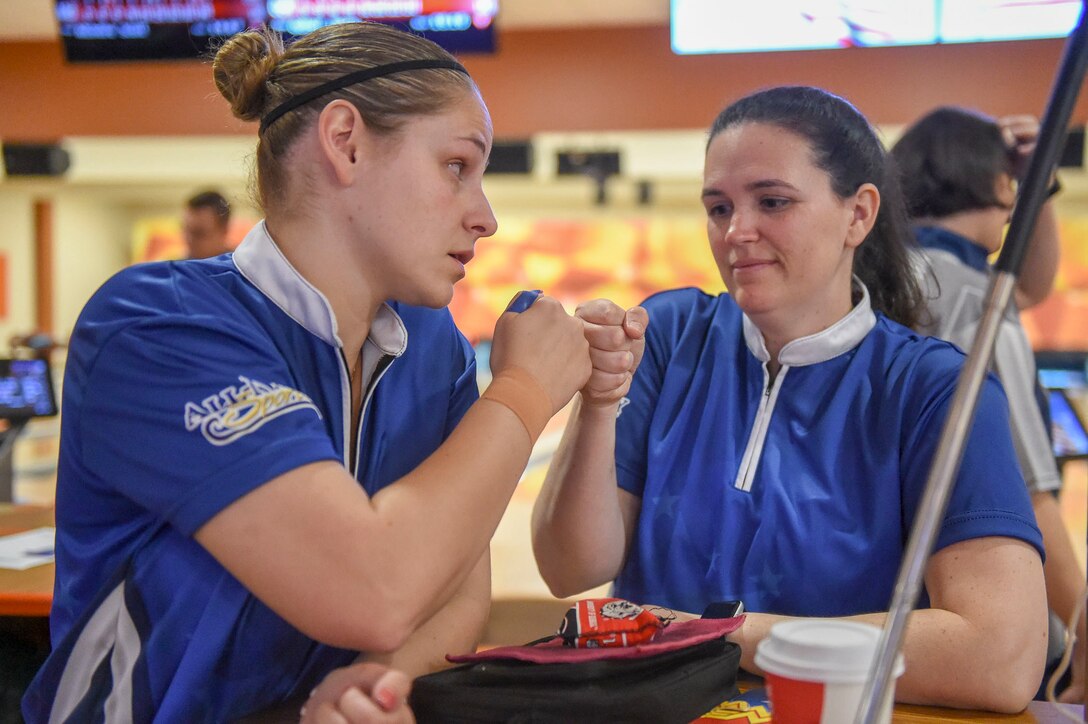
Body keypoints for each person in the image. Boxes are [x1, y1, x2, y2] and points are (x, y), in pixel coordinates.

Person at [23, 21, 591, 722]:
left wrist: (374, 683)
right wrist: (524, 393)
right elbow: (372, 589)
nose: (486, 217)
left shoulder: (432, 344)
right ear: (345, 142)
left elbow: (458, 591)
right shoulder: (157, 327)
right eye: (456, 167)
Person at [531, 85, 1049, 713]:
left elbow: (1001, 656)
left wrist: (714, 634)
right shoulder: (667, 335)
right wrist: (597, 402)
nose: (736, 232)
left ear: (858, 214)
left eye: (772, 202)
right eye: (718, 207)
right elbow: (569, 568)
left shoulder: (937, 389)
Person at [891, 106, 1086, 703]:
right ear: (1002, 186)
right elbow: (1029, 492)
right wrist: (1080, 630)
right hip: (970, 616)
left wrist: (1039, 186)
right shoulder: (980, 303)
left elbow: (1029, 283)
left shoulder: (866, 280)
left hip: (879, 609)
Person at [182, 189, 234, 258]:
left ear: (224, 230)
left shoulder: (241, 266)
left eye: (199, 233)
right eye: (186, 230)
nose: (189, 240)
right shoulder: (174, 266)